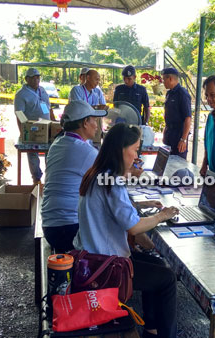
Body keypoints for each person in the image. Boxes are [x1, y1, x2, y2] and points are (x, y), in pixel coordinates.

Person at [74, 123, 179, 338]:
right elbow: (133, 226)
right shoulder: (112, 181)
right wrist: (162, 216)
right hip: (105, 268)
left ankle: (151, 329)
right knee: (167, 278)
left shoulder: (99, 173)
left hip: (90, 259)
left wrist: (139, 207)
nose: (136, 156)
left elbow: (113, 211)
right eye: (135, 149)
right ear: (122, 149)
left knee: (158, 264)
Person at [40, 100, 106, 253]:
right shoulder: (85, 151)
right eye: (94, 120)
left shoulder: (58, 144)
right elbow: (108, 183)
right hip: (67, 228)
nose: (96, 124)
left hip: (52, 223)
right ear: (84, 123)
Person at [14, 68, 55, 184]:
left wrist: (54, 121)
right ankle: (36, 178)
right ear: (27, 79)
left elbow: (48, 107)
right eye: (33, 77)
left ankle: (50, 178)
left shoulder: (42, 90)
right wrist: (23, 132)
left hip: (47, 128)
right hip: (32, 130)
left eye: (38, 77)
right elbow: (19, 114)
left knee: (50, 152)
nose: (36, 79)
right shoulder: (21, 94)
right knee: (32, 153)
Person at [69, 69, 107, 147]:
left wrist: (100, 108)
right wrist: (96, 107)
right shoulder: (76, 90)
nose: (98, 82)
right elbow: (80, 108)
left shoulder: (97, 92)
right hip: (79, 128)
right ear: (88, 78)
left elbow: (103, 107)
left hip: (91, 127)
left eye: (99, 80)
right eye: (96, 79)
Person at [162, 67, 191, 159]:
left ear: (170, 78)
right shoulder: (169, 93)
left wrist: (183, 139)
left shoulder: (182, 94)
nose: (163, 82)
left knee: (177, 164)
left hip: (178, 136)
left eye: (164, 79)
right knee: (167, 162)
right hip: (169, 133)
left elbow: (188, 118)